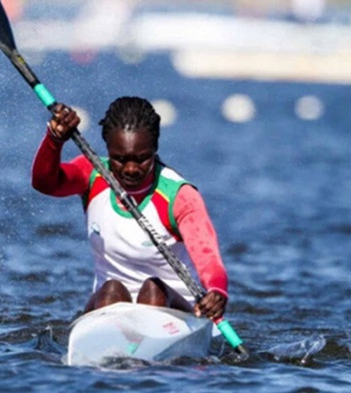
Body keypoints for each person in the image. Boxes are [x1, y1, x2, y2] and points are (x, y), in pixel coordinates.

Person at [31, 96, 228, 321]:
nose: (131, 169)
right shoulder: (93, 175)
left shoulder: (179, 196)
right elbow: (44, 183)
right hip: (110, 305)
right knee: (110, 290)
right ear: (108, 151)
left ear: (155, 149)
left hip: (173, 310)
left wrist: (216, 292)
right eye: (120, 159)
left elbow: (208, 257)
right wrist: (54, 139)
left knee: (152, 290)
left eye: (142, 158)